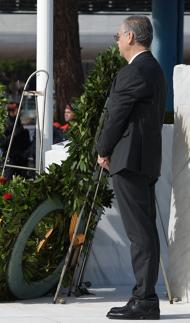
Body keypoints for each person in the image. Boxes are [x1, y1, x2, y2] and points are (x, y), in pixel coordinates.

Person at [96, 16, 165, 320]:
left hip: (129, 161)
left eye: (118, 35)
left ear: (129, 36)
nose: (117, 41)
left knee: (140, 233)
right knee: (144, 231)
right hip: (144, 160)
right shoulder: (153, 68)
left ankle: (145, 300)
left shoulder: (134, 71)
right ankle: (144, 297)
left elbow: (116, 117)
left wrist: (102, 149)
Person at [1, 102, 31, 179]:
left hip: (21, 159)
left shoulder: (18, 122)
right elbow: (3, 143)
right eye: (19, 110)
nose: (20, 112)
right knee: (7, 181)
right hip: (10, 159)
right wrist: (15, 133)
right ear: (12, 111)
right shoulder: (6, 124)